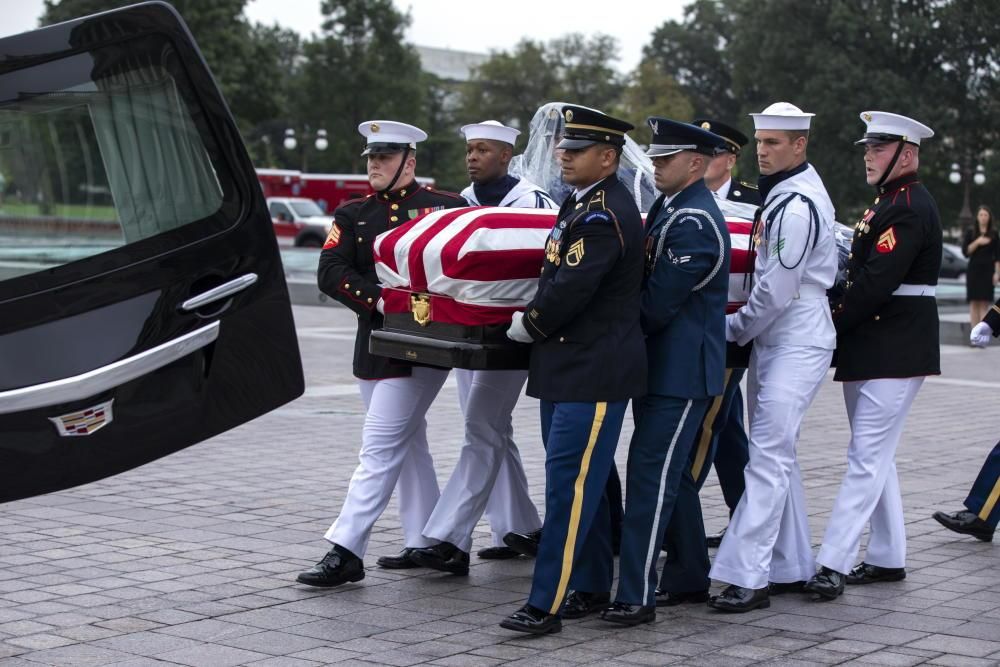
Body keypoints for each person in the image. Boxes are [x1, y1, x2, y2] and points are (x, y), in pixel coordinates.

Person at [297, 120, 465, 587]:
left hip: (422, 345)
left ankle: (347, 549)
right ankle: (435, 542)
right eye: (371, 158)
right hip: (373, 343)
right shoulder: (354, 214)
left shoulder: (444, 207)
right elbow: (330, 271)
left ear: (409, 162)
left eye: (384, 158)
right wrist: (383, 300)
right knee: (409, 445)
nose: (374, 165)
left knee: (379, 448)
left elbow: (460, 268)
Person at [498, 105, 646, 634]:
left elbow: (570, 289)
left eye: (576, 150)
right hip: (567, 366)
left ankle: (546, 603)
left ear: (607, 157)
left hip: (592, 370)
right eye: (564, 147)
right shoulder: (582, 202)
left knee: (570, 489)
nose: (563, 154)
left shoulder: (605, 213)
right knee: (591, 483)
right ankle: (586, 586)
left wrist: (528, 325)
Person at [585, 118, 729, 626]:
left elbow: (654, 306)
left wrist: (596, 319)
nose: (656, 166)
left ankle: (636, 595)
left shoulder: (694, 222)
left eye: (666, 160)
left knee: (650, 476)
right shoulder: (671, 208)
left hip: (681, 375)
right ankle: (689, 574)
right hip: (660, 369)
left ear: (695, 162)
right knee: (669, 477)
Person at [708, 102, 838, 613]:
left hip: (796, 333)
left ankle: (748, 575)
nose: (762, 152)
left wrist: (734, 328)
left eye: (774, 143)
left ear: (799, 145)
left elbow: (776, 288)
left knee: (766, 455)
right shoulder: (787, 192)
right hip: (780, 335)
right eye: (760, 143)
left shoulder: (797, 203)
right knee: (778, 455)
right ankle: (789, 564)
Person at [805, 111, 940, 600]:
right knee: (875, 455)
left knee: (865, 456)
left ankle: (832, 562)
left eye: (878, 148)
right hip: (876, 346)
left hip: (895, 347)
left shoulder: (906, 207)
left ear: (905, 154)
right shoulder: (887, 203)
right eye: (867, 147)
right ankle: (887, 556)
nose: (867, 154)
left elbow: (876, 283)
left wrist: (825, 324)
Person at [409, 121, 552, 571]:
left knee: (481, 429)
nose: (471, 157)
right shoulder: (462, 202)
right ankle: (521, 527)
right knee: (492, 430)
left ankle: (447, 537)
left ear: (507, 155)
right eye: (469, 149)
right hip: (467, 334)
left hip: (509, 335)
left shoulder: (533, 203)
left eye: (482, 150)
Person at [685, 118, 760, 551]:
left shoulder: (754, 201)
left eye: (711, 153)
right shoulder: (677, 195)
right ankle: (744, 517)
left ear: (729, 158)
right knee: (729, 431)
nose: (701, 160)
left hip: (731, 332)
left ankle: (678, 521)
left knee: (707, 427)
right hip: (698, 330)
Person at [962, 205, 999, 328]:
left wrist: (997, 273)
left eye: (985, 215)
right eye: (981, 215)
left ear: (989, 218)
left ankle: (982, 334)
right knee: (973, 303)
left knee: (984, 303)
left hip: (988, 271)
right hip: (974, 271)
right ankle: (974, 335)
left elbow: (998, 257)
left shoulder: (994, 234)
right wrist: (978, 242)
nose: (983, 217)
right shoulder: (970, 232)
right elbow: (965, 252)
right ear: (977, 217)